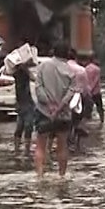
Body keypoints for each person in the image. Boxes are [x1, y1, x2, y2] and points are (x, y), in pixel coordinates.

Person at [34, 41, 76, 177]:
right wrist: (59, 107)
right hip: (63, 114)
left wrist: (49, 104)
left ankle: (40, 175)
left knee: (40, 145)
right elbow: (71, 93)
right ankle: (61, 176)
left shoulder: (43, 66)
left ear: (53, 51)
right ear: (68, 53)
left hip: (44, 112)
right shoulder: (71, 72)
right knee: (62, 146)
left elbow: (38, 88)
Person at [67, 49, 91, 151]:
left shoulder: (60, 68)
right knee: (76, 120)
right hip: (78, 98)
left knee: (65, 122)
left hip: (62, 97)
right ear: (76, 58)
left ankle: (66, 142)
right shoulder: (81, 70)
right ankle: (76, 142)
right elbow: (86, 88)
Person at [13, 59, 36, 155]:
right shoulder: (23, 75)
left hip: (23, 104)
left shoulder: (19, 76)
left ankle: (18, 149)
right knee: (26, 127)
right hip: (26, 104)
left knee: (22, 127)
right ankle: (25, 149)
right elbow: (33, 78)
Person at [85, 55, 105, 124]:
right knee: (99, 108)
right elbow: (96, 80)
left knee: (88, 108)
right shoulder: (97, 69)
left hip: (88, 92)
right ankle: (102, 121)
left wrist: (88, 90)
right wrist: (92, 88)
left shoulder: (86, 68)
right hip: (96, 92)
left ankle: (87, 122)